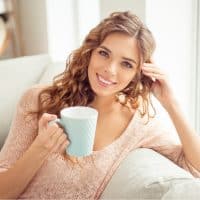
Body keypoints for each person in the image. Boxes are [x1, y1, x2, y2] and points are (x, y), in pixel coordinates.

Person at [0, 11, 200, 199]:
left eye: (127, 64)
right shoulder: (37, 100)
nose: (109, 70)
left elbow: (195, 167)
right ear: (90, 52)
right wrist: (41, 148)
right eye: (104, 53)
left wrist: (171, 103)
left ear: (138, 73)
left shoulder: (139, 125)